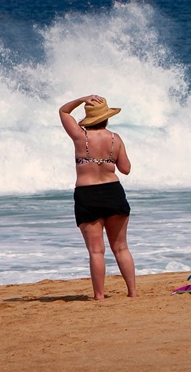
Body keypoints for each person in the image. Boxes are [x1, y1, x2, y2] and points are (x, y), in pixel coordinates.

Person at [59, 94, 137, 300]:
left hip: (88, 194)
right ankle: (133, 292)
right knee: (121, 248)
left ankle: (99, 296)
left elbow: (63, 111)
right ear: (106, 117)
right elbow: (126, 169)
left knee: (96, 251)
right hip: (113, 192)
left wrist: (82, 98)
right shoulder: (115, 138)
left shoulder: (79, 136)